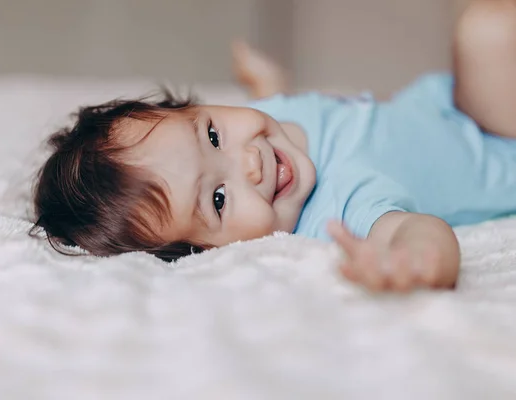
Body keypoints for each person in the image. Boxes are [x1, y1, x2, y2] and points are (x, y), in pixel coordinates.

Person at [32, 0, 516, 292]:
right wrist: (416, 263)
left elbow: (274, 110)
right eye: (219, 199)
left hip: (451, 102)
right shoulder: (340, 206)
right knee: (486, 30)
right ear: (210, 252)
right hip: (500, 143)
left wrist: (269, 85)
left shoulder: (272, 125)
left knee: (485, 26)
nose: (250, 162)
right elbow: (419, 230)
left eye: (213, 134)